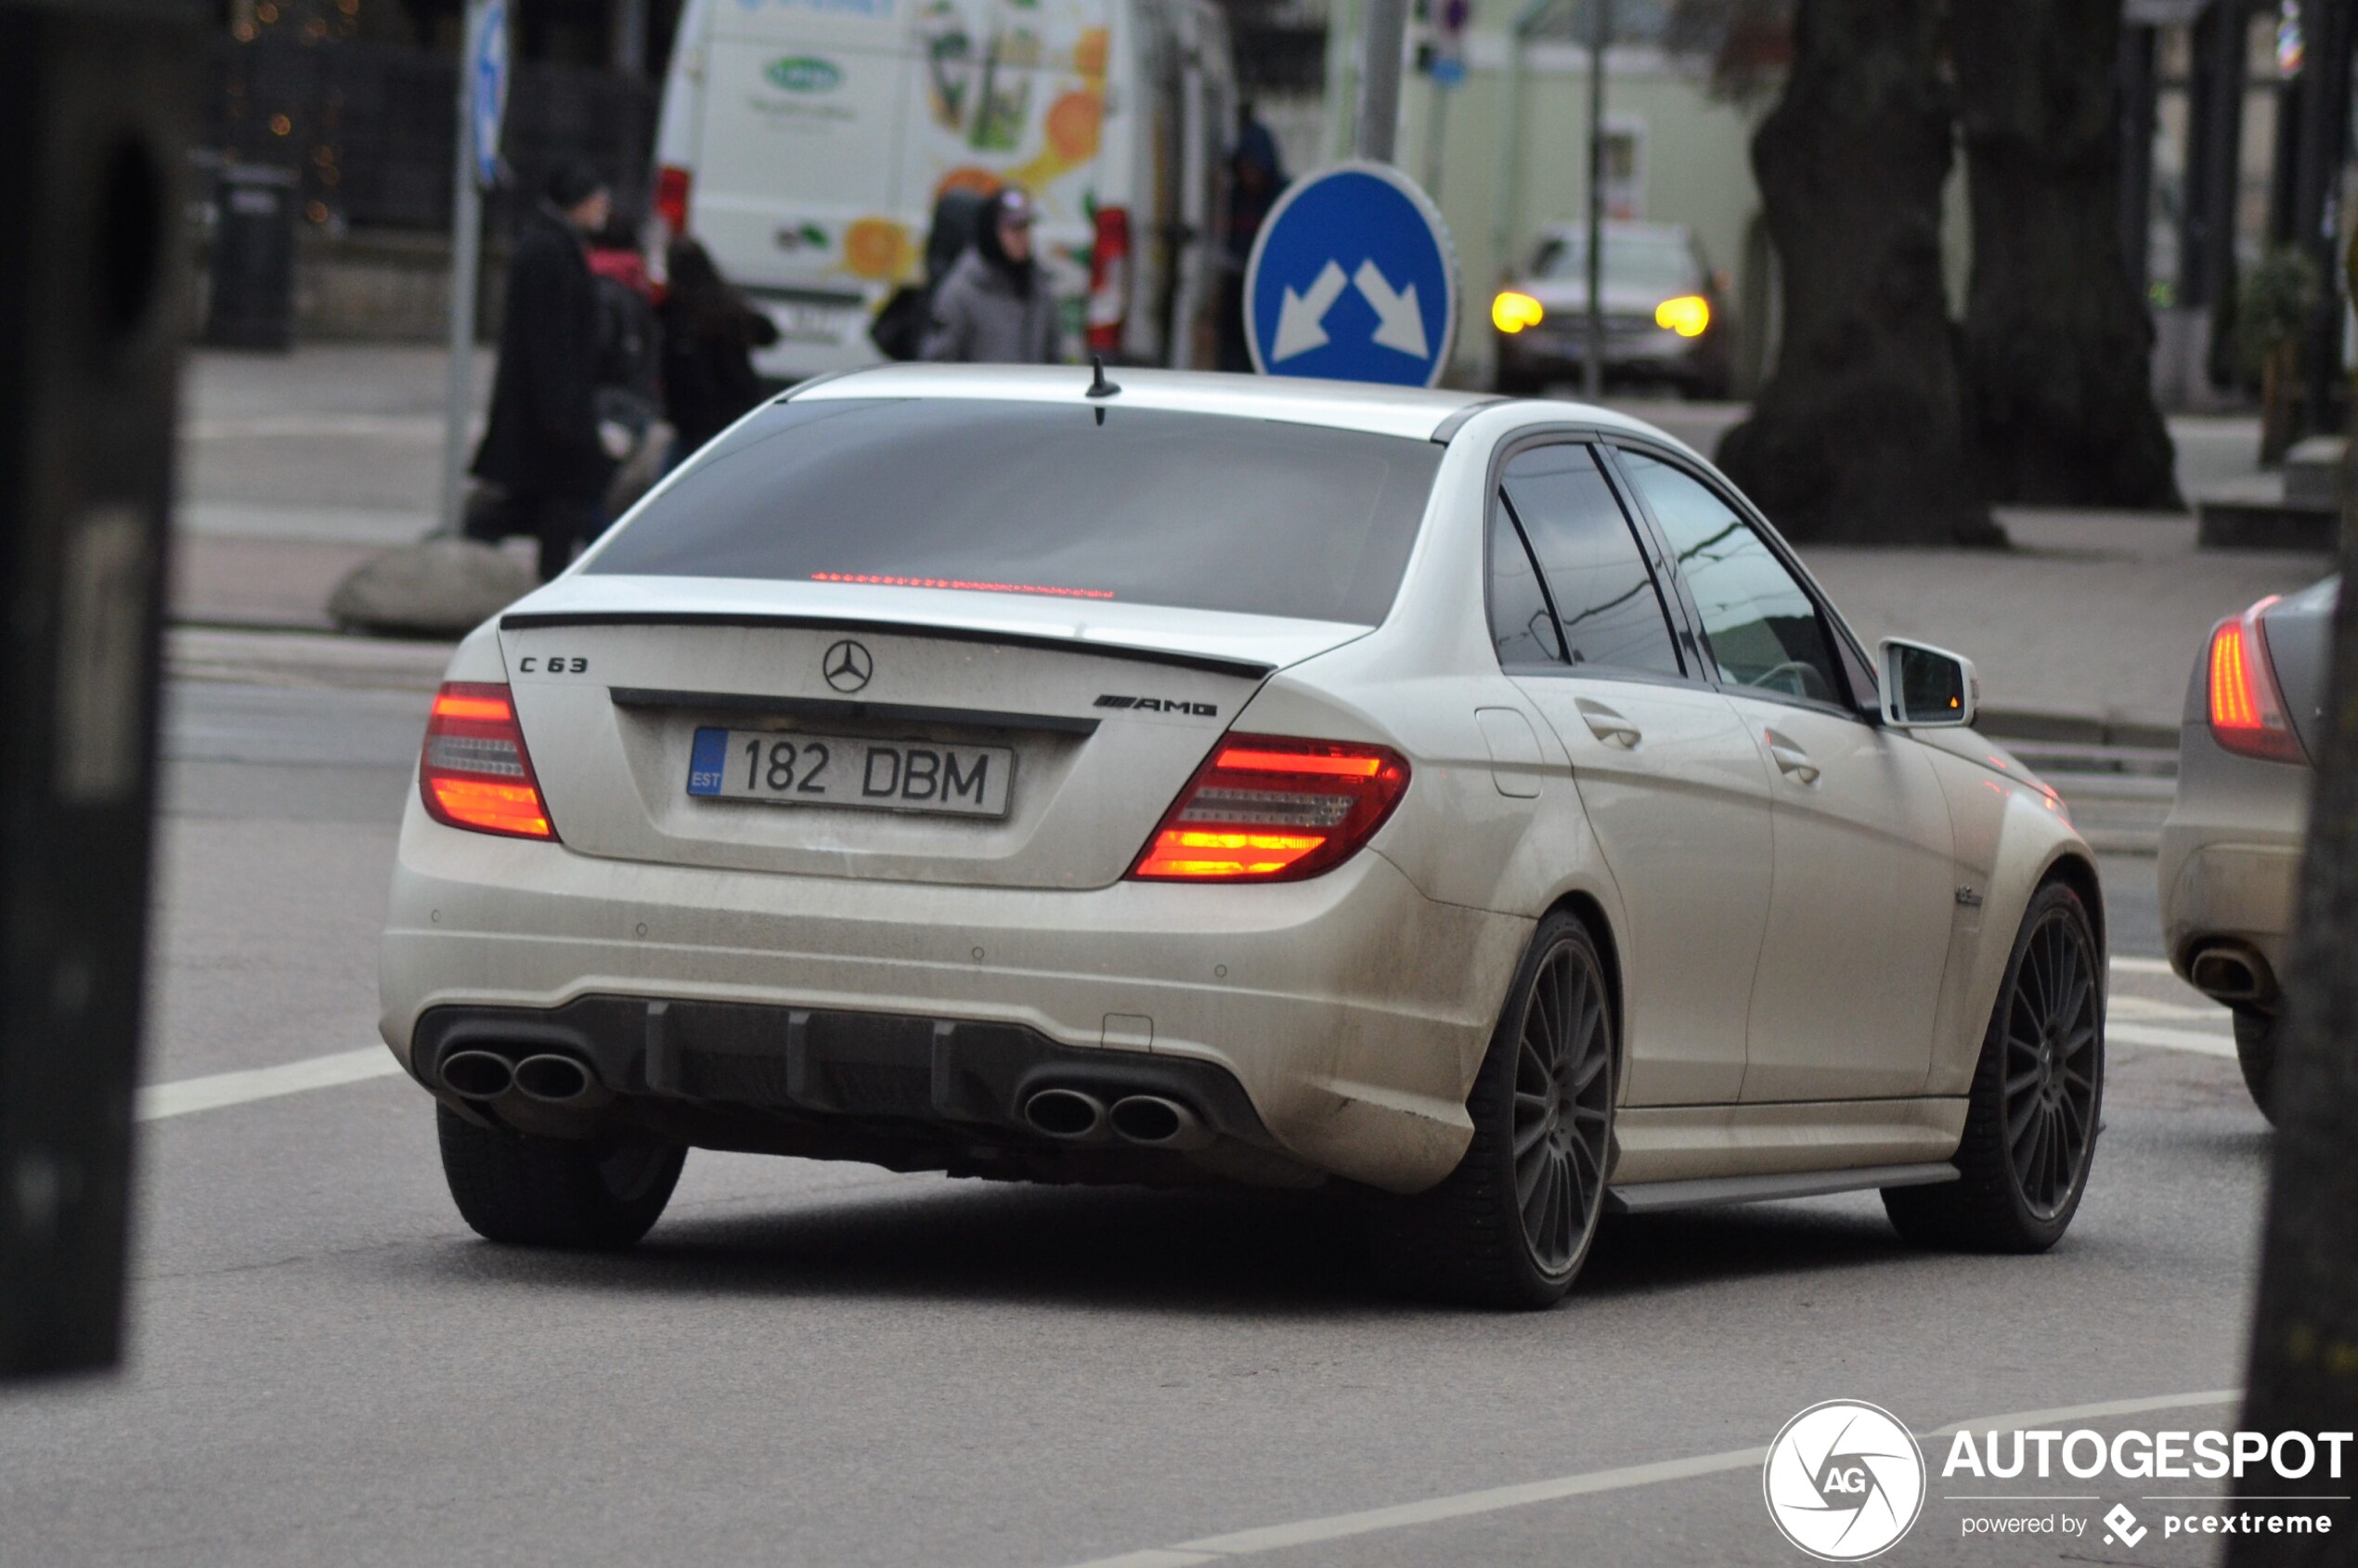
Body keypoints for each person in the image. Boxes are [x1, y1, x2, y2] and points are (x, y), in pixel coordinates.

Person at [471, 160, 615, 580]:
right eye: (597, 200)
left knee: (548, 500)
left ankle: (543, 574)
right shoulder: (549, 250)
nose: (603, 208)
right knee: (561, 498)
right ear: (579, 203)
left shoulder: (555, 244)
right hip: (551, 410)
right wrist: (560, 412)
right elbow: (550, 338)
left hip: (551, 408)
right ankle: (550, 580)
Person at [658, 238, 782, 462]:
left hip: (693, 417)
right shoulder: (729, 305)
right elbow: (768, 334)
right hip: (734, 406)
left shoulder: (674, 313)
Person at [922, 187, 1063, 365]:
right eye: (1014, 228)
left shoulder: (1038, 287)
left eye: (1026, 227)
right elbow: (939, 359)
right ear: (991, 231)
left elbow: (1054, 354)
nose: (1023, 237)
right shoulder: (962, 289)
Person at [1216, 107, 1287, 371]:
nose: (1249, 175)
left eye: (1254, 167)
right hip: (1234, 292)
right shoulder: (1235, 198)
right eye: (1244, 168)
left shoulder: (1279, 200)